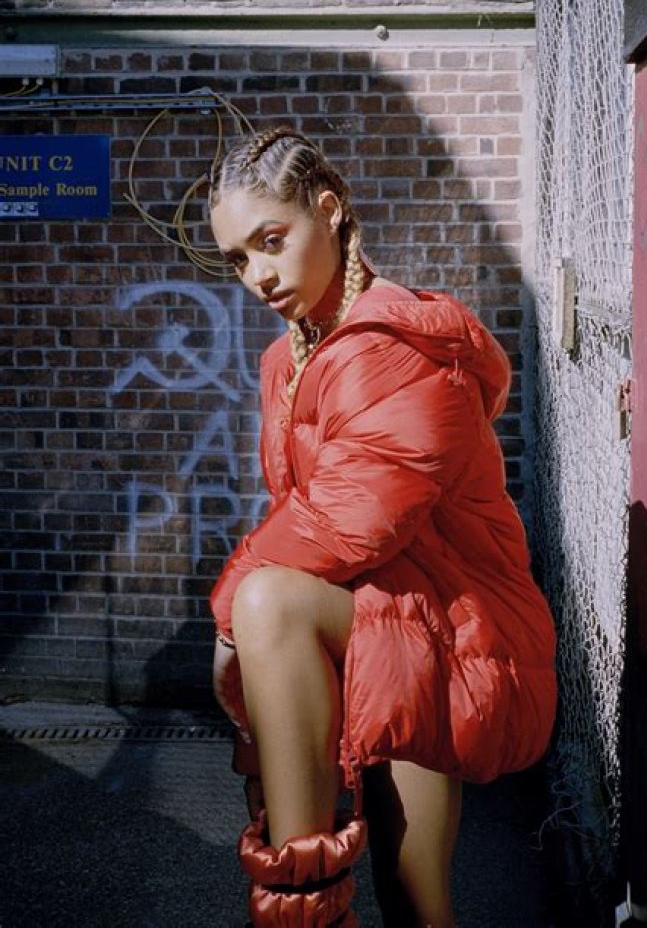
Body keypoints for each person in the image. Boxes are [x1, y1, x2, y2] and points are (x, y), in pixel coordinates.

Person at [208, 125, 557, 927]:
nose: (259, 275)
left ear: (329, 211)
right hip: (385, 617)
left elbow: (348, 523)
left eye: (271, 241)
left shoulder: (397, 347)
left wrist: (228, 624)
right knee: (412, 897)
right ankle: (302, 902)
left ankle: (300, 905)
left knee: (415, 900)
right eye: (238, 259)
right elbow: (305, 518)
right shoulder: (291, 356)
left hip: (459, 632)